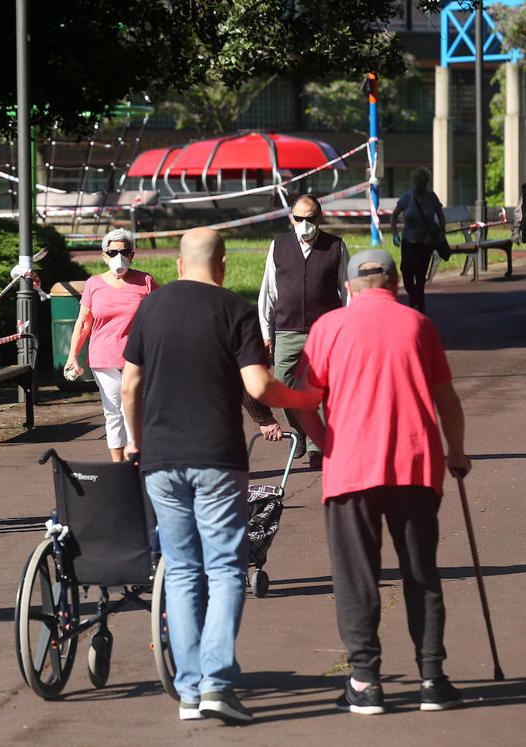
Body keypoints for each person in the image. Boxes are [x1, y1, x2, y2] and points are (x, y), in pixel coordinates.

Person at [122, 228, 319, 724]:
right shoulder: (234, 310)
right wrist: (305, 399)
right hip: (217, 459)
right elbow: (258, 384)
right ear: (224, 263)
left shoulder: (152, 307)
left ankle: (189, 691)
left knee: (183, 571)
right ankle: (216, 684)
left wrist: (137, 440)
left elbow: (130, 384)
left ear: (178, 263)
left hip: (161, 460)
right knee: (226, 570)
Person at [296, 249, 470, 715]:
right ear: (394, 283)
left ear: (349, 287)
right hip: (414, 466)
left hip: (350, 469)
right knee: (421, 574)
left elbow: (302, 402)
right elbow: (446, 401)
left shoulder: (328, 328)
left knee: (357, 579)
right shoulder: (418, 325)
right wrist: (456, 452)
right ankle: (432, 678)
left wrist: (326, 441)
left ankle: (366, 682)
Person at [257, 194, 349, 469]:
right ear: (291, 218)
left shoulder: (336, 246)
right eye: (299, 218)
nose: (304, 224)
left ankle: (314, 446)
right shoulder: (279, 246)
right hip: (287, 328)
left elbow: (347, 291)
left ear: (319, 219)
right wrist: (266, 331)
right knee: (283, 384)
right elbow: (269, 290)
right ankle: (299, 429)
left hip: (326, 330)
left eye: (310, 219)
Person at [65, 228, 157, 461]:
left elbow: (160, 317)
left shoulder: (145, 281)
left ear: (133, 255)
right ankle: (119, 465)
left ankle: (136, 461)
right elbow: (84, 322)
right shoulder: (94, 284)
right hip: (104, 358)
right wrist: (72, 356)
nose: (120, 256)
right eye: (113, 251)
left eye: (125, 251)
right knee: (113, 411)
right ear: (104, 255)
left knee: (136, 411)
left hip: (137, 359)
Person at [390, 167, 446, 313]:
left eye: (423, 182)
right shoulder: (407, 198)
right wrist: (394, 233)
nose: (421, 185)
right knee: (406, 273)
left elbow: (440, 215)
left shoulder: (432, 197)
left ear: (427, 182)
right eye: (418, 182)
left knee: (420, 276)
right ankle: (415, 298)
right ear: (414, 182)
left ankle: (419, 306)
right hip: (408, 241)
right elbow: (394, 216)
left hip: (425, 243)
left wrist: (441, 232)